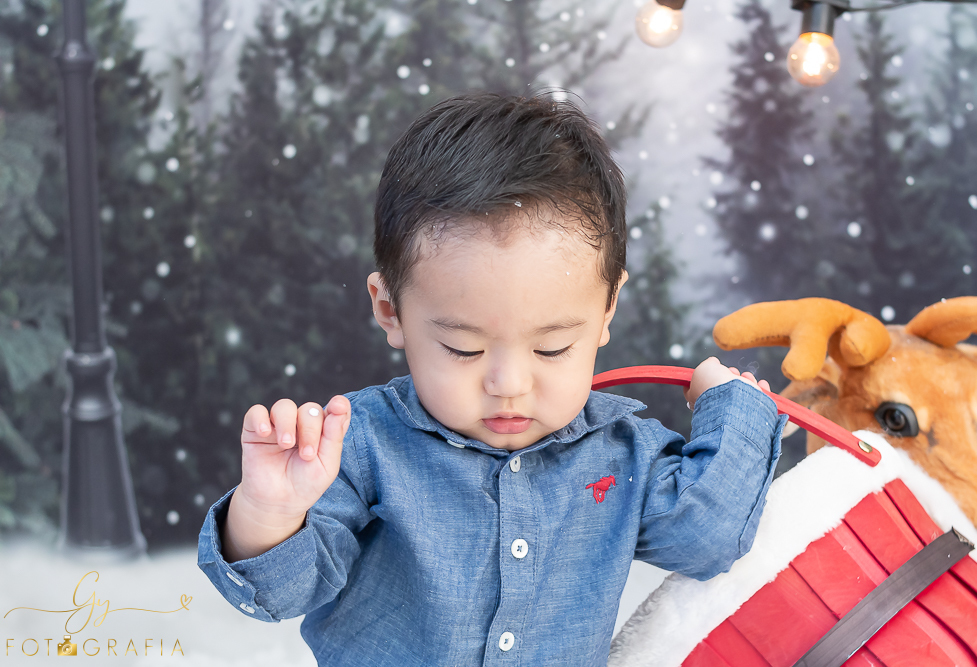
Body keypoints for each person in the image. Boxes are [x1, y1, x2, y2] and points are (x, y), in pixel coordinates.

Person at [197, 91, 787, 666]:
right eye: (463, 347)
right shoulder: (358, 444)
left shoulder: (622, 454)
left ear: (607, 309)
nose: (508, 383)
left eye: (553, 347)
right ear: (390, 311)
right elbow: (278, 594)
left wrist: (730, 406)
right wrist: (271, 515)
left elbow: (705, 537)